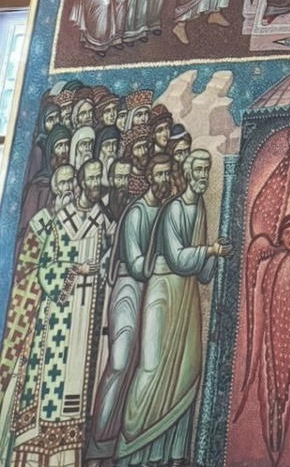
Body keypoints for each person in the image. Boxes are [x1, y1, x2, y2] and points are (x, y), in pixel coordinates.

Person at [115, 150, 232, 467]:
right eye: (199, 169)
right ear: (188, 172)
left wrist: (214, 256)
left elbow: (201, 273)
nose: (204, 175)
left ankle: (171, 453)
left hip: (187, 296)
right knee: (152, 368)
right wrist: (210, 251)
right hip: (164, 293)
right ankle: (131, 448)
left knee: (187, 369)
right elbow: (179, 258)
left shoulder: (201, 207)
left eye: (207, 169)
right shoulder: (174, 209)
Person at [13, 160, 112, 464]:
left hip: (88, 317)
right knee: (52, 383)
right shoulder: (60, 221)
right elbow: (45, 269)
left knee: (78, 385)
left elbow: (111, 261)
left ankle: (68, 458)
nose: (96, 183)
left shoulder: (103, 221)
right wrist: (77, 269)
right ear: (81, 183)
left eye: (99, 177)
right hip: (58, 317)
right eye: (91, 178)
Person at [87, 152, 172, 462]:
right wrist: (167, 262)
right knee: (120, 363)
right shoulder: (137, 213)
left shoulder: (163, 210)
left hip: (149, 292)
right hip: (128, 289)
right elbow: (136, 264)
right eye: (159, 174)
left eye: (168, 174)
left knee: (140, 366)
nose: (164, 180)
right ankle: (97, 443)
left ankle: (119, 443)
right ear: (149, 177)